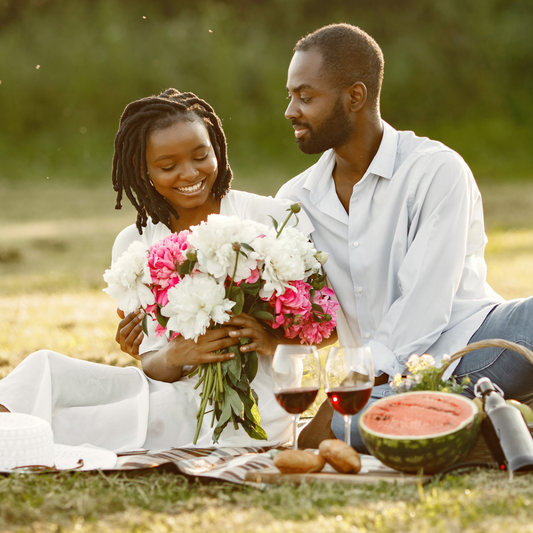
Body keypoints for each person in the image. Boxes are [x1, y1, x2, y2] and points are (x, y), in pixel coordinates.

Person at [0, 89, 318, 452]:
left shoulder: (269, 218)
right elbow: (154, 366)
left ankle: (19, 439)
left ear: (217, 147)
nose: (190, 173)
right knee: (45, 369)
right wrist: (176, 355)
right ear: (142, 168)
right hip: (167, 389)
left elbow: (327, 325)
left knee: (70, 423)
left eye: (201, 156)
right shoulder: (133, 244)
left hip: (247, 411)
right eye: (168, 167)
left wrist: (274, 340)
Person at [275, 23, 533, 452]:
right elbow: (305, 317)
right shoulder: (295, 201)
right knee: (351, 427)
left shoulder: (436, 170)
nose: (290, 110)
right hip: (384, 391)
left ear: (354, 97)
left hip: (474, 349)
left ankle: (477, 416)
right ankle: (486, 423)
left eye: (305, 96)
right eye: (290, 96)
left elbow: (425, 307)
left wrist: (338, 398)